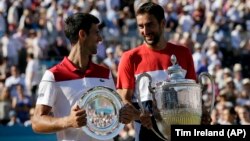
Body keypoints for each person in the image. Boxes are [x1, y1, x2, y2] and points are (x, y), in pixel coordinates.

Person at [117, 2, 210, 141]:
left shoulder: (183, 53)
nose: (145, 31)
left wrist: (202, 112)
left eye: (149, 24)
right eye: (141, 26)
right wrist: (139, 115)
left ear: (163, 23)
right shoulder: (130, 58)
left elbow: (193, 94)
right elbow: (123, 100)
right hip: (146, 135)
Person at [31, 13, 116, 141]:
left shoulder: (105, 73)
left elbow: (113, 114)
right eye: (96, 33)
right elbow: (37, 122)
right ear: (82, 34)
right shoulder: (53, 75)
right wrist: (68, 121)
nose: (100, 39)